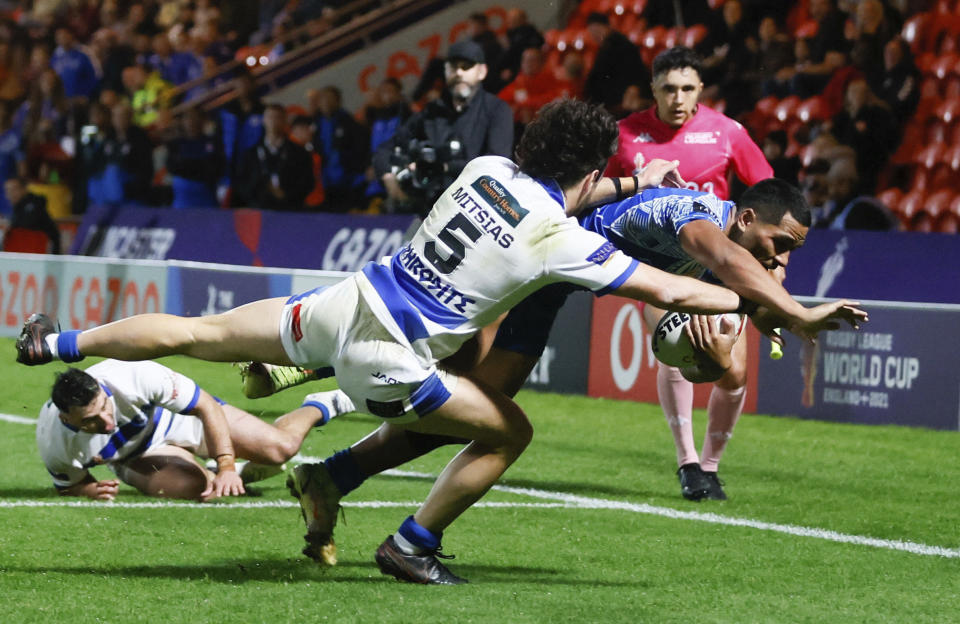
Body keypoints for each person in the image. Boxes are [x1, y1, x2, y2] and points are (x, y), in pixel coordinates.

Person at [16, 99, 818, 585]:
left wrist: (636, 184)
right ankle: (410, 543)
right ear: (586, 174)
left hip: (347, 301)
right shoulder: (562, 241)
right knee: (507, 428)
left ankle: (57, 343)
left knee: (201, 332)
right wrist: (773, 309)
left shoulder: (485, 165)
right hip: (393, 356)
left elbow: (575, 188)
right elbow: (674, 288)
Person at [240, 175, 869, 565]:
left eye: (791, 254)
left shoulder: (745, 259)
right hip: (535, 255)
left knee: (465, 406)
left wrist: (745, 334)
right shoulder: (700, 218)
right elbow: (725, 266)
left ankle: (331, 471)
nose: (781, 261)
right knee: (465, 398)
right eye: (779, 246)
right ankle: (316, 385)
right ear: (747, 219)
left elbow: (735, 324)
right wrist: (797, 313)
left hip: (553, 282)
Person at [605, 45, 775, 501]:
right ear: (652, 91)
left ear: (700, 89)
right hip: (656, 266)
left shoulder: (729, 133)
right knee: (678, 347)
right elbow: (601, 193)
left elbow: (771, 201)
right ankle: (688, 464)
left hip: (719, 268)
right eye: (667, 89)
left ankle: (712, 464)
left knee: (732, 372)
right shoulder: (625, 136)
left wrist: (773, 270)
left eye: (686, 88)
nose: (677, 98)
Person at [36, 359, 340, 502]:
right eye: (91, 421)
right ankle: (217, 471)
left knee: (281, 449)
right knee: (201, 490)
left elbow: (206, 406)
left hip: (177, 418)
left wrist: (227, 465)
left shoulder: (133, 376)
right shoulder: (53, 440)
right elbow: (70, 484)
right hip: (136, 456)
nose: (107, 422)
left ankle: (322, 404)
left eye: (105, 406)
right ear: (67, 418)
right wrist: (89, 489)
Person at [372, 39, 513, 217]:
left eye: (466, 66)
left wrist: (443, 167)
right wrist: (388, 177)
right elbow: (386, 149)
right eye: (453, 67)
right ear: (445, 72)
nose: (459, 73)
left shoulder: (497, 110)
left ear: (482, 71)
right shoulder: (432, 111)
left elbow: (495, 165)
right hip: (430, 210)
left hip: (477, 214)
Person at [234, 104, 314, 211]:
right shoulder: (251, 153)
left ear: (285, 121)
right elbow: (241, 182)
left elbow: (308, 182)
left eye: (278, 117)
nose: (273, 121)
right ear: (263, 120)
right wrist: (259, 194)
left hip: (290, 210)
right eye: (270, 117)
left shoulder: (299, 153)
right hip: (259, 210)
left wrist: (287, 196)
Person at [582, 12, 649, 113]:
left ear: (606, 27)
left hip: (619, 105)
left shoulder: (621, 46)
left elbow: (636, 74)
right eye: (592, 32)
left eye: (597, 30)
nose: (595, 35)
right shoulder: (605, 47)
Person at [3, 177, 61, 253]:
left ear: (24, 189)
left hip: (43, 250)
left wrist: (9, 225)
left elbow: (27, 223)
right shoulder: (17, 207)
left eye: (14, 189)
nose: (11, 194)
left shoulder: (34, 205)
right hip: (27, 251)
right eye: (8, 190)